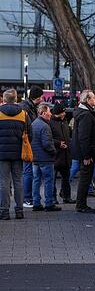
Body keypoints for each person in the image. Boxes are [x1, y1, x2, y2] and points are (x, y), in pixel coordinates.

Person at [70, 89, 95, 214]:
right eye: (93, 98)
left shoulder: (85, 113)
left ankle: (81, 204)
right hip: (86, 153)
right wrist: (87, 155)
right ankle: (81, 204)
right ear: (87, 100)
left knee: (85, 178)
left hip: (86, 152)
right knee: (85, 178)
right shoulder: (86, 115)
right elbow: (84, 137)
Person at [0, 89, 29, 220]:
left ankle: (4, 211)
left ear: (4, 100)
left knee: (3, 182)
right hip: (19, 153)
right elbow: (30, 135)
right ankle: (19, 211)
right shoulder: (24, 114)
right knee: (18, 181)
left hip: (2, 155)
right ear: (16, 99)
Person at [31, 103, 60, 212]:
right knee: (49, 181)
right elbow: (47, 144)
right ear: (44, 113)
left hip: (35, 158)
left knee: (36, 180)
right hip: (45, 158)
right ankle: (49, 203)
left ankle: (36, 203)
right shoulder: (45, 126)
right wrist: (54, 152)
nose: (50, 114)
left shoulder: (33, 124)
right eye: (49, 112)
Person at [19, 85, 42, 209]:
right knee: (27, 171)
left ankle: (27, 198)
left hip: (25, 143)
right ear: (37, 98)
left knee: (27, 172)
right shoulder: (27, 108)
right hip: (26, 143)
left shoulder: (28, 106)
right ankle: (27, 198)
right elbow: (29, 127)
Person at [49, 103, 72, 204]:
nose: (64, 114)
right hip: (55, 155)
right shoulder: (50, 123)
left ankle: (66, 196)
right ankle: (53, 198)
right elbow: (48, 138)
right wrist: (59, 143)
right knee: (52, 179)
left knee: (66, 178)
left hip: (66, 155)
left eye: (64, 112)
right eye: (62, 112)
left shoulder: (65, 121)